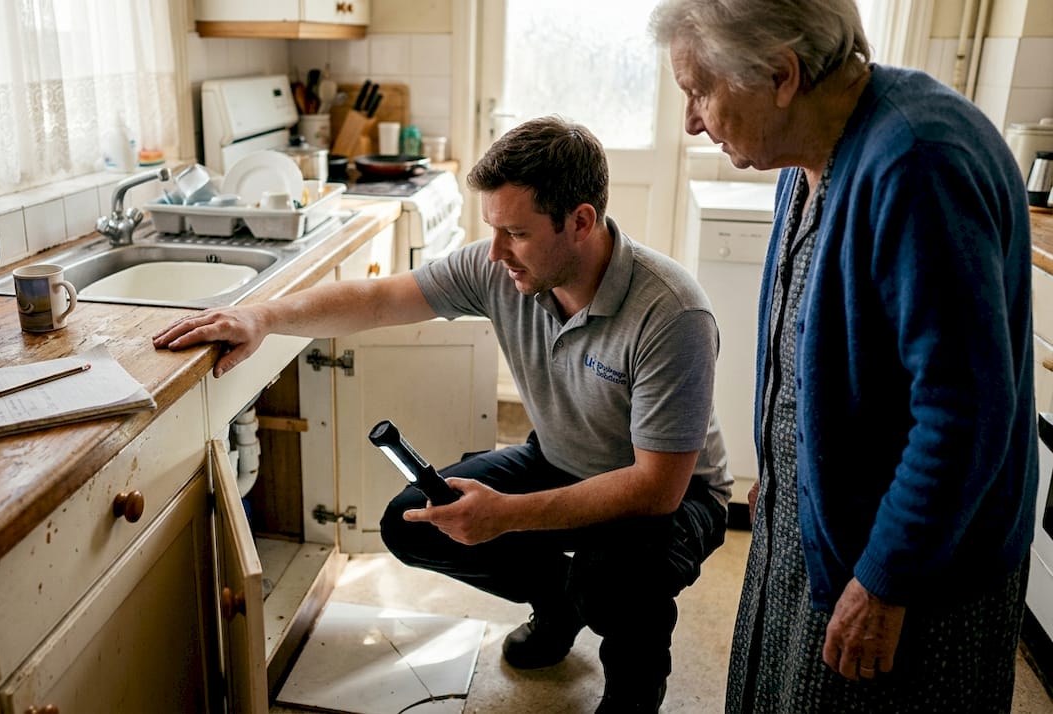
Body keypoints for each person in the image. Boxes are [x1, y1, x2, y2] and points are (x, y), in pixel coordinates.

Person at [154, 116, 731, 712]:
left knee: (616, 577)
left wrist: (507, 515)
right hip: (561, 458)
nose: (496, 252)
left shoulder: (671, 312)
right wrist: (262, 317)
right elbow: (379, 300)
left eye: (517, 232)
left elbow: (656, 488)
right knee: (412, 520)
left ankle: (630, 691)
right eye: (493, 229)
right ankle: (562, 601)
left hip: (674, 496)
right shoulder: (501, 267)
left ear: (581, 222)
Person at [649, 1, 1039, 712]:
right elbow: (816, 351)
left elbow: (965, 413)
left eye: (698, 90)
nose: (692, 121)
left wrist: (887, 577)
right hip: (826, 521)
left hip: (911, 568)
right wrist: (783, 468)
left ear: (781, 74)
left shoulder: (919, 163)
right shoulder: (805, 159)